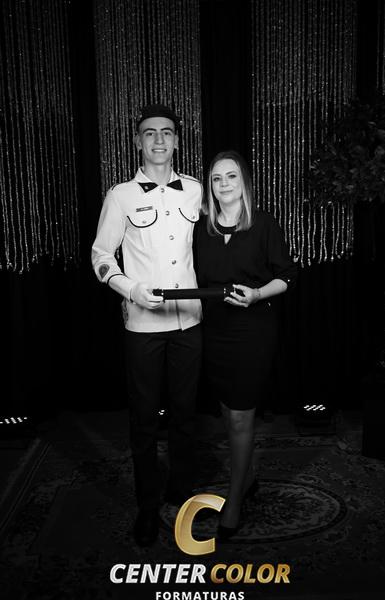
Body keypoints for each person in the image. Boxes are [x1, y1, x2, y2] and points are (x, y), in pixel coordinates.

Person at [92, 104, 202, 546]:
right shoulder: (120, 195)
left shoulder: (195, 190)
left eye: (167, 132)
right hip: (142, 326)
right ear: (138, 141)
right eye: (150, 133)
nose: (159, 139)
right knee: (143, 420)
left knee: (186, 415)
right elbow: (101, 256)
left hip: (190, 321)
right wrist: (131, 289)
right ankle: (147, 505)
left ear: (177, 141)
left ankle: (181, 493)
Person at [194, 150, 297, 540]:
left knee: (240, 415)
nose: (224, 184)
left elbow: (287, 275)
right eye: (216, 178)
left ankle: (234, 500)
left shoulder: (263, 224)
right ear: (210, 186)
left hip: (253, 331)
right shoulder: (200, 230)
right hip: (214, 331)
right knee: (227, 409)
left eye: (231, 176)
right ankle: (248, 475)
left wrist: (256, 295)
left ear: (244, 183)